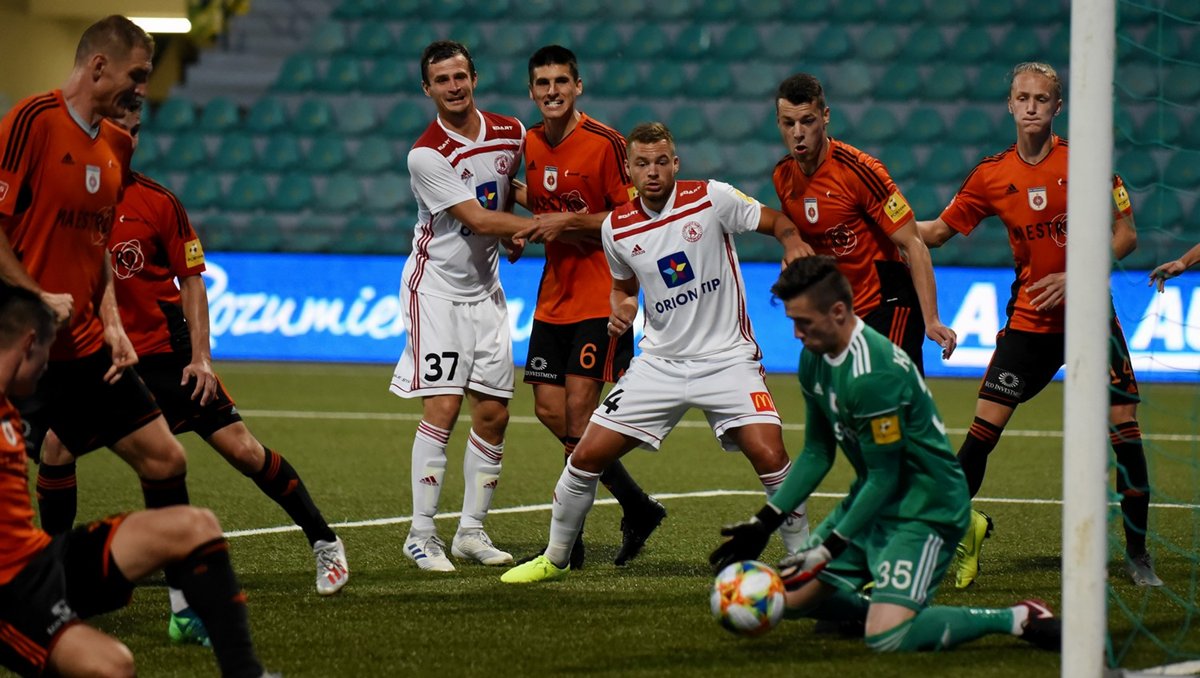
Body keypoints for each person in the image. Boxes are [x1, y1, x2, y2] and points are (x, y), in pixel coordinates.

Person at [39, 108, 349, 598]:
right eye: (116, 130)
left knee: (244, 451)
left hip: (167, 357)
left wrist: (201, 358)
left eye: (133, 132)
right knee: (56, 450)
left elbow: (192, 281)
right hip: (107, 360)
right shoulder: (67, 201)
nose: (125, 140)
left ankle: (324, 540)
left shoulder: (158, 201)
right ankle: (52, 575)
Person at [501, 122, 814, 583]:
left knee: (771, 456)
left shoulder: (711, 198)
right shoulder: (616, 227)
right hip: (660, 365)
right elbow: (624, 288)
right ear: (629, 170)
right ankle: (555, 558)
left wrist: (793, 242)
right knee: (584, 457)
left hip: (727, 360)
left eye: (661, 162)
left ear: (675, 163)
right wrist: (624, 310)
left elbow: (777, 221)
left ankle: (803, 562)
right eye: (643, 163)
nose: (653, 171)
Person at [709, 256, 1061, 653]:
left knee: (887, 637)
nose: (796, 334)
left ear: (838, 312)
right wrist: (764, 522)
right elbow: (818, 452)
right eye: (793, 321)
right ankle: (873, 608)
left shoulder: (873, 373)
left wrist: (828, 548)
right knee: (786, 599)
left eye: (804, 322)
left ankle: (1017, 617)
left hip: (925, 508)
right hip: (875, 500)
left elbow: (885, 476)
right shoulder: (814, 358)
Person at [0, 15, 210, 642]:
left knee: (166, 458)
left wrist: (113, 323)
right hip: (22, 348)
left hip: (88, 346)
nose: (142, 89)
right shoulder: (32, 121)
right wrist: (36, 297)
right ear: (99, 66)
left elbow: (98, 250)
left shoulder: (115, 145)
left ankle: (183, 609)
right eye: (137, 75)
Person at [916, 61, 1158, 589]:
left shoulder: (1086, 162)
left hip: (1091, 321)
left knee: (1126, 432)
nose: (1031, 107)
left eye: (1041, 99)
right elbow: (933, 233)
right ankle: (938, 541)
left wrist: (1078, 275)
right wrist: (877, 225)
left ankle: (1139, 555)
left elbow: (1126, 234)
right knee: (981, 434)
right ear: (1009, 105)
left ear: (1057, 107)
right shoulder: (991, 175)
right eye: (1022, 98)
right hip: (1029, 324)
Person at [0, 285, 274, 678]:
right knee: (113, 665)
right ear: (29, 344)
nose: (47, 368)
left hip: (37, 558)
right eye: (46, 354)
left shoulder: (16, 403)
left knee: (195, 525)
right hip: (8, 588)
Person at [390, 40, 541, 571]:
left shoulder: (511, 132)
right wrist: (540, 227)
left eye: (460, 77)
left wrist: (527, 218)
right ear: (427, 89)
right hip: (435, 291)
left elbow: (504, 186)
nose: (453, 87)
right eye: (442, 80)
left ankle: (471, 532)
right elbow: (475, 217)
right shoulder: (426, 153)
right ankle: (421, 534)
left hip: (485, 291)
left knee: (494, 413)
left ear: (474, 78)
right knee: (444, 407)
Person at [513, 44, 665, 568]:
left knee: (580, 413)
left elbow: (635, 216)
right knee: (549, 411)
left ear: (578, 86)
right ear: (532, 91)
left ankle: (568, 543)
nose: (552, 91)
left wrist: (568, 223)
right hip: (553, 297)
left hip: (603, 297)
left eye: (561, 81)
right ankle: (637, 505)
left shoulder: (606, 143)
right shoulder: (530, 142)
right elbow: (544, 201)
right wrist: (521, 226)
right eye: (543, 83)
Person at [771, 73, 957, 375]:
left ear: (825, 116)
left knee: (893, 394)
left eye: (807, 121)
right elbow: (804, 241)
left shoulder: (860, 171)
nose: (798, 133)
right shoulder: (782, 176)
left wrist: (932, 319)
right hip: (839, 314)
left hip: (888, 303)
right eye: (788, 123)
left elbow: (913, 242)